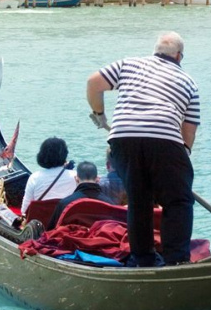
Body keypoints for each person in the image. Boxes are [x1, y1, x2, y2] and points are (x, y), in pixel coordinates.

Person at [86, 31, 200, 268]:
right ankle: (176, 260)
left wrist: (99, 114)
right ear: (179, 56)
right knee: (178, 200)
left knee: (139, 201)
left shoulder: (129, 64)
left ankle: (143, 259)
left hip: (122, 139)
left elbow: (93, 83)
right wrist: (183, 155)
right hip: (165, 140)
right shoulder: (188, 81)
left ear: (155, 51)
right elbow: (189, 128)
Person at [20, 137, 77, 218]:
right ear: (65, 155)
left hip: (41, 225)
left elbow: (24, 211)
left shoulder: (35, 177)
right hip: (65, 225)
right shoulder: (76, 176)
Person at [48, 161, 106, 227]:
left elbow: (51, 231)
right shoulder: (108, 203)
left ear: (76, 179)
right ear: (98, 179)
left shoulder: (64, 204)